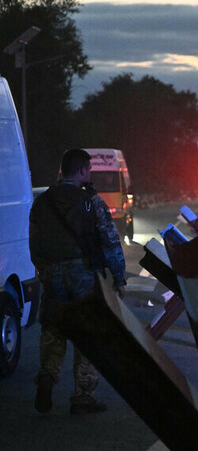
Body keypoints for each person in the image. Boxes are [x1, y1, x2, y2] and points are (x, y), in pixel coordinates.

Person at [29, 149, 127, 415]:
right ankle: (83, 395)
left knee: (54, 327)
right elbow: (110, 242)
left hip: (51, 273)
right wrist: (119, 277)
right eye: (89, 170)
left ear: (62, 171)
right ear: (83, 170)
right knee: (87, 331)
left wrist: (45, 269)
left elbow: (34, 243)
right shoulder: (90, 202)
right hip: (83, 275)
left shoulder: (43, 202)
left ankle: (47, 377)